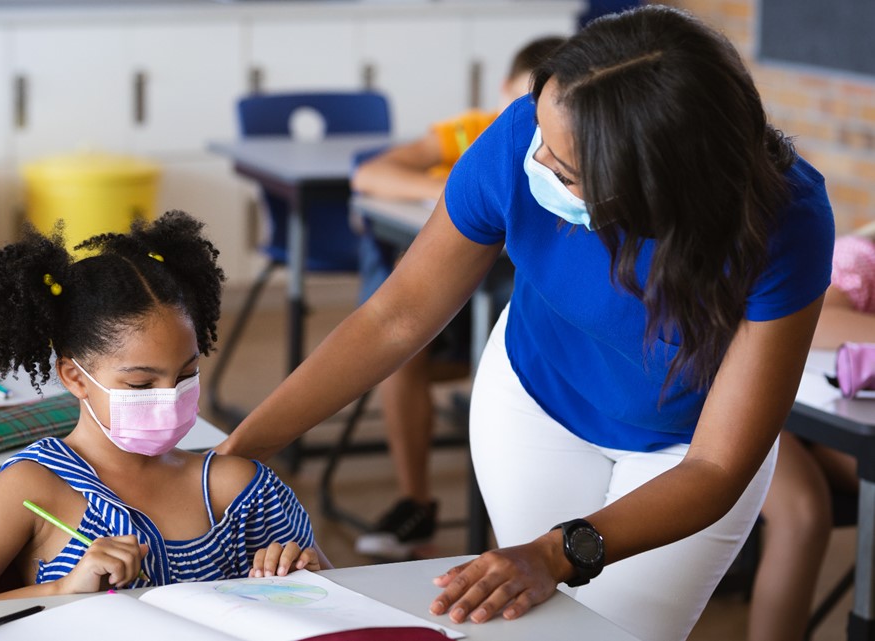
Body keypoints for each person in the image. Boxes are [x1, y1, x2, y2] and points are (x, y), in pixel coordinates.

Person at [217, 7, 835, 641]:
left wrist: (556, 553)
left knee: (614, 634)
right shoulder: (526, 136)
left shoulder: (785, 225)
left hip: (682, 453)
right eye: (539, 134)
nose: (534, 159)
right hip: (534, 401)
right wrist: (245, 449)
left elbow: (714, 467)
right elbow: (396, 316)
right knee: (530, 629)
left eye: (565, 171)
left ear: (651, 188)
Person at [0, 211, 326, 607]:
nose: (169, 396)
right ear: (75, 377)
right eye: (141, 383)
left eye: (186, 374)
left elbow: (337, 597)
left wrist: (306, 577)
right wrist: (62, 589)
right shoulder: (32, 488)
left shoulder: (240, 489)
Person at [350, 35, 565, 561]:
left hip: (532, 313)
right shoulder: (476, 133)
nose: (529, 120)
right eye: (521, 103)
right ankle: (415, 500)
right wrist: (460, 191)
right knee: (404, 356)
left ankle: (528, 535)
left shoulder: (575, 148)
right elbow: (370, 172)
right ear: (504, 91)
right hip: (458, 306)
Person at [747, 231, 866, 641]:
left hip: (835, 429)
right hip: (755, 409)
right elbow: (821, 321)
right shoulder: (858, 257)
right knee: (804, 514)